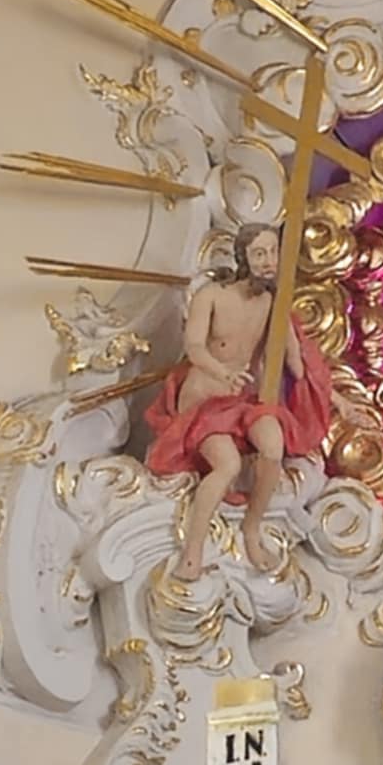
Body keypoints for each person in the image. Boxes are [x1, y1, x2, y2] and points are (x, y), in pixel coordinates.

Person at [144, 223, 332, 580]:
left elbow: (299, 365)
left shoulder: (273, 304)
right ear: (243, 257)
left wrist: (338, 399)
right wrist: (223, 372)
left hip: (243, 402)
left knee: (273, 445)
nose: (269, 262)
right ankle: (193, 551)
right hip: (204, 403)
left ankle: (252, 527)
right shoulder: (212, 296)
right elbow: (194, 347)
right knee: (227, 465)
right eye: (259, 254)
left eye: (273, 252)